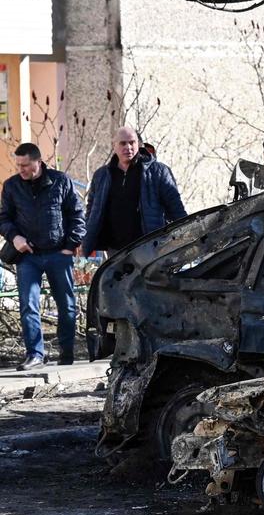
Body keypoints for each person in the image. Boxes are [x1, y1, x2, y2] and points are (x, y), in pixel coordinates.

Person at [0, 143, 85, 370]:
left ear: (38, 161)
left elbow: (77, 213)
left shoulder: (61, 181)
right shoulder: (11, 186)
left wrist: (70, 245)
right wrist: (14, 237)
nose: (21, 169)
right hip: (28, 256)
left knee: (66, 305)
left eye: (25, 165)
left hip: (59, 253)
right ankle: (35, 354)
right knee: (28, 304)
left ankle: (66, 352)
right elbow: (4, 218)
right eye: (18, 165)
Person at [81, 127, 187, 259]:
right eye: (123, 143)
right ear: (114, 146)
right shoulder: (102, 175)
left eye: (132, 142)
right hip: (114, 249)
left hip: (148, 246)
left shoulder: (157, 171)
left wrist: (187, 235)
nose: (128, 147)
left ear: (139, 144)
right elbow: (91, 210)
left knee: (148, 280)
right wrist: (87, 238)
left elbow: (175, 207)